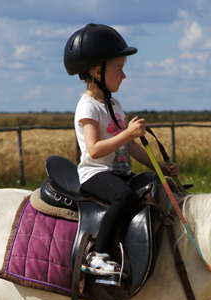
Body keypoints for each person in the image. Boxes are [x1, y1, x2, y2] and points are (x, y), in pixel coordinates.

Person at [64, 23, 179, 276]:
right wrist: (127, 132)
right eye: (119, 69)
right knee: (124, 197)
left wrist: (160, 169)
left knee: (158, 184)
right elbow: (93, 150)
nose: (123, 76)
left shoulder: (114, 104)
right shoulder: (88, 107)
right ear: (97, 71)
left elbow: (129, 146)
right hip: (96, 174)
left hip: (119, 172)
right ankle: (96, 255)